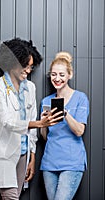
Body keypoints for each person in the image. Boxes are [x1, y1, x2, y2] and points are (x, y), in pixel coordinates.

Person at [0, 38, 63, 200]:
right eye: (25, 66)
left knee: (15, 196)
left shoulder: (30, 88)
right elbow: (6, 121)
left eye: (31, 67)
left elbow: (30, 123)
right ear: (11, 62)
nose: (28, 71)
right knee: (10, 198)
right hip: (4, 153)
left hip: (23, 155)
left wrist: (32, 156)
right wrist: (39, 123)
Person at [40, 51, 89, 200]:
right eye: (54, 74)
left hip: (72, 163)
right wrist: (43, 123)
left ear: (70, 75)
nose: (57, 78)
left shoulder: (80, 98)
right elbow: (45, 137)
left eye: (62, 75)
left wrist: (65, 114)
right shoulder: (46, 101)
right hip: (49, 162)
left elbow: (80, 130)